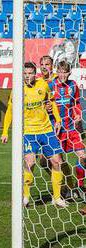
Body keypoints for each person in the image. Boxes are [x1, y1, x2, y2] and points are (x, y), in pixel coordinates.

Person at [1, 62, 67, 207]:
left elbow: (52, 101)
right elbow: (10, 111)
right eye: (25, 73)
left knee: (57, 161)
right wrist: (5, 131)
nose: (27, 76)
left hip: (46, 130)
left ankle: (57, 198)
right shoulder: (17, 89)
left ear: (34, 74)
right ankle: (25, 196)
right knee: (30, 163)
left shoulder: (43, 85)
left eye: (30, 73)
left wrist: (58, 119)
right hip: (28, 132)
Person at [38, 55, 75, 197]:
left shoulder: (57, 80)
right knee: (43, 161)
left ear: (52, 66)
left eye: (47, 64)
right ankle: (64, 185)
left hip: (59, 124)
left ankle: (68, 187)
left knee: (58, 158)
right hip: (43, 124)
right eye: (41, 64)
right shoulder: (39, 81)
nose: (44, 66)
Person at [48, 61, 86, 192]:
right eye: (60, 71)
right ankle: (60, 191)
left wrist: (78, 115)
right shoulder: (51, 85)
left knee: (83, 157)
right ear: (56, 72)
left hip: (71, 129)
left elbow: (76, 103)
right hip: (56, 130)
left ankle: (80, 186)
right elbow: (45, 105)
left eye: (65, 72)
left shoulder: (73, 85)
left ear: (69, 72)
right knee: (58, 162)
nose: (63, 75)